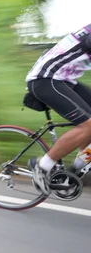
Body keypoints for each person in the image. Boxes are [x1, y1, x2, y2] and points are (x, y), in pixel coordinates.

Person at [26, 23, 91, 194]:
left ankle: (77, 170)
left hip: (65, 80)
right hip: (46, 79)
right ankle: (42, 166)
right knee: (87, 125)